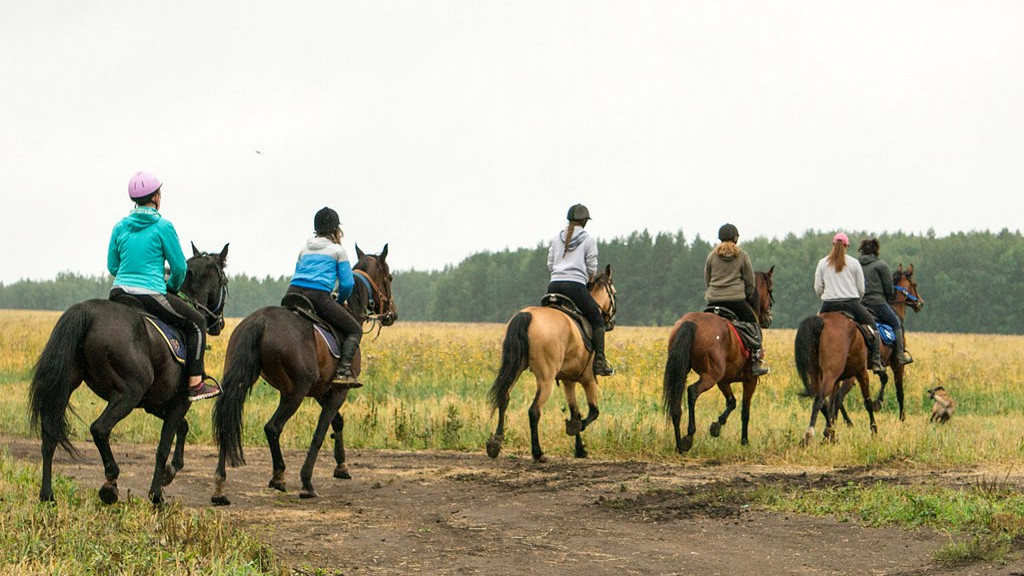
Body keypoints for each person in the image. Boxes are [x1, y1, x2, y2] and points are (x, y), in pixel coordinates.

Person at [107, 171, 220, 401]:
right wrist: (170, 286)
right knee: (197, 323)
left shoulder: (119, 227)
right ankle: (195, 384)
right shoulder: (163, 227)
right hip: (150, 293)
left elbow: (112, 266)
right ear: (156, 197)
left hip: (118, 293)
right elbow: (179, 269)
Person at [286, 207, 362, 388]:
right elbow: (347, 284)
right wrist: (338, 300)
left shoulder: (304, 249)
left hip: (292, 294)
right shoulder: (338, 251)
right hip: (318, 297)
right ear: (336, 230)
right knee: (355, 330)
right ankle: (343, 371)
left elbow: (298, 274)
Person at [547, 203, 614, 376]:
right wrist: (590, 279)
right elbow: (592, 266)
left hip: (553, 285)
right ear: (584, 222)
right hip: (575, 286)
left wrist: (559, 273)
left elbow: (550, 264)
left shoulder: (556, 238)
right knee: (598, 320)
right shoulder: (588, 240)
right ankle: (599, 361)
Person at [814, 232, 885, 374]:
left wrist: (828, 295)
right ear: (847, 246)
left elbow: (818, 288)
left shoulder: (822, 263)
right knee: (872, 327)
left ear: (833, 244)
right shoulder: (854, 263)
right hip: (851, 303)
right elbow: (861, 289)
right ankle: (876, 361)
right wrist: (854, 297)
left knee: (813, 330)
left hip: (828, 304)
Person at [704, 223, 769, 376]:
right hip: (736, 302)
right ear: (736, 238)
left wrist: (715, 292)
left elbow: (707, 279)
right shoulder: (741, 256)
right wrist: (747, 296)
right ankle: (755, 359)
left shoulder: (712, 256)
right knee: (754, 325)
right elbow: (750, 282)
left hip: (713, 302)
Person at [857, 237, 913, 365]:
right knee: (896, 322)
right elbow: (889, 290)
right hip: (877, 304)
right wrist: (888, 297)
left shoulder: (855, 264)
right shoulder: (881, 265)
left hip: (858, 304)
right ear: (876, 250)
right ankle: (899, 355)